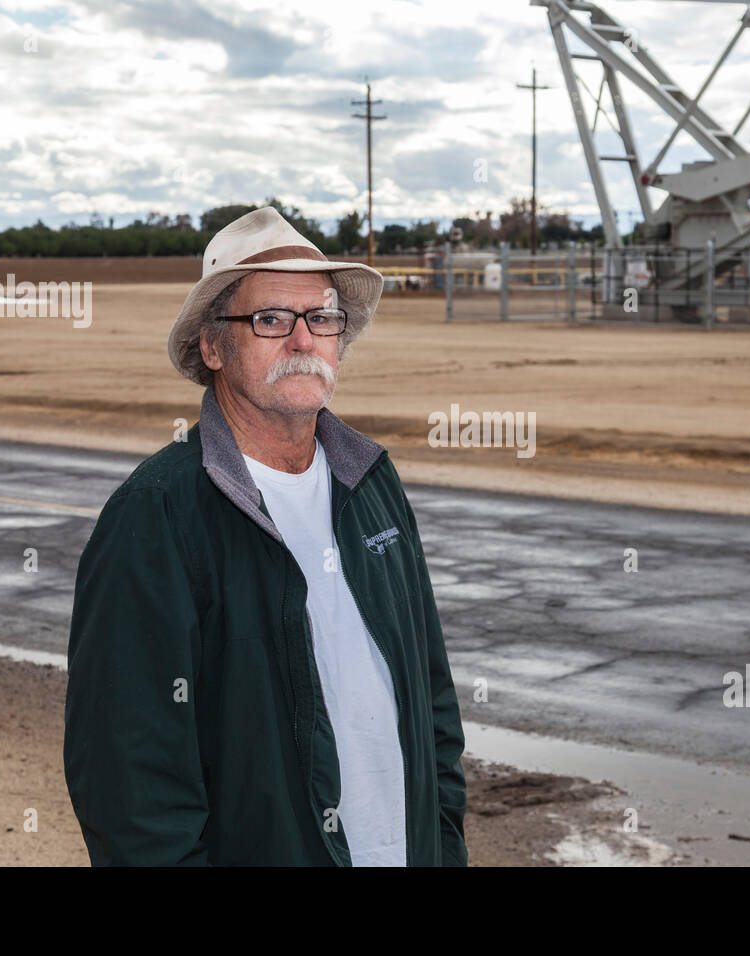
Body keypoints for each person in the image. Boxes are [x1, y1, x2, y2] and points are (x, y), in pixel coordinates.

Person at [63, 206, 467, 866]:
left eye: (322, 317)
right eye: (271, 320)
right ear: (213, 345)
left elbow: (433, 703)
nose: (303, 340)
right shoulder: (157, 516)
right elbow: (130, 788)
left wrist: (444, 844)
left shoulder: (372, 483)